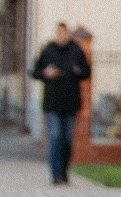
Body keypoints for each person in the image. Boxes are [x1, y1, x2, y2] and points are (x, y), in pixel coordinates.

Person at [30, 21, 90, 185]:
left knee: (68, 139)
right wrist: (45, 73)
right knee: (55, 137)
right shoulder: (48, 50)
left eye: (64, 33)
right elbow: (35, 72)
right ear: (56, 34)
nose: (62, 36)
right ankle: (56, 175)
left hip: (71, 102)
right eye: (59, 33)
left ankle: (64, 172)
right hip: (52, 103)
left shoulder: (76, 50)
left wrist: (75, 71)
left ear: (68, 34)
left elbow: (86, 72)